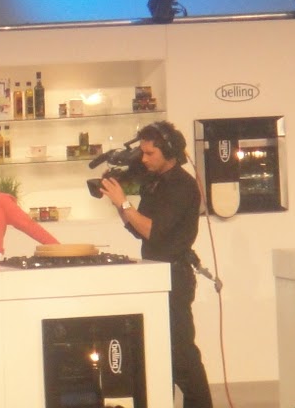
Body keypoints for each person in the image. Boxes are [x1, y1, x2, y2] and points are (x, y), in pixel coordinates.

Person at [100, 120, 213, 408]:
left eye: (150, 153)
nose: (144, 158)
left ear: (170, 152)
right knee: (161, 355)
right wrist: (119, 204)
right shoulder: (154, 183)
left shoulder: (182, 186)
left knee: (182, 356)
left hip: (175, 276)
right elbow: (138, 227)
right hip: (156, 275)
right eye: (143, 152)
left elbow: (154, 231)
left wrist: (124, 203)